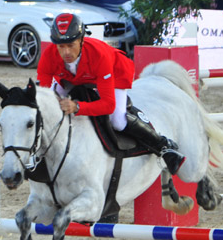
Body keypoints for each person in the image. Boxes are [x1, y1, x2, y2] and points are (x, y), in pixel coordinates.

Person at [36, 13, 186, 175]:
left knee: (118, 120)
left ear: (81, 40)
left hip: (114, 72)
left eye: (71, 45)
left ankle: (163, 146)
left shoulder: (99, 55)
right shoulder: (48, 56)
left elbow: (108, 105)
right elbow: (43, 98)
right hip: (73, 77)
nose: (66, 52)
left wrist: (77, 106)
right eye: (61, 46)